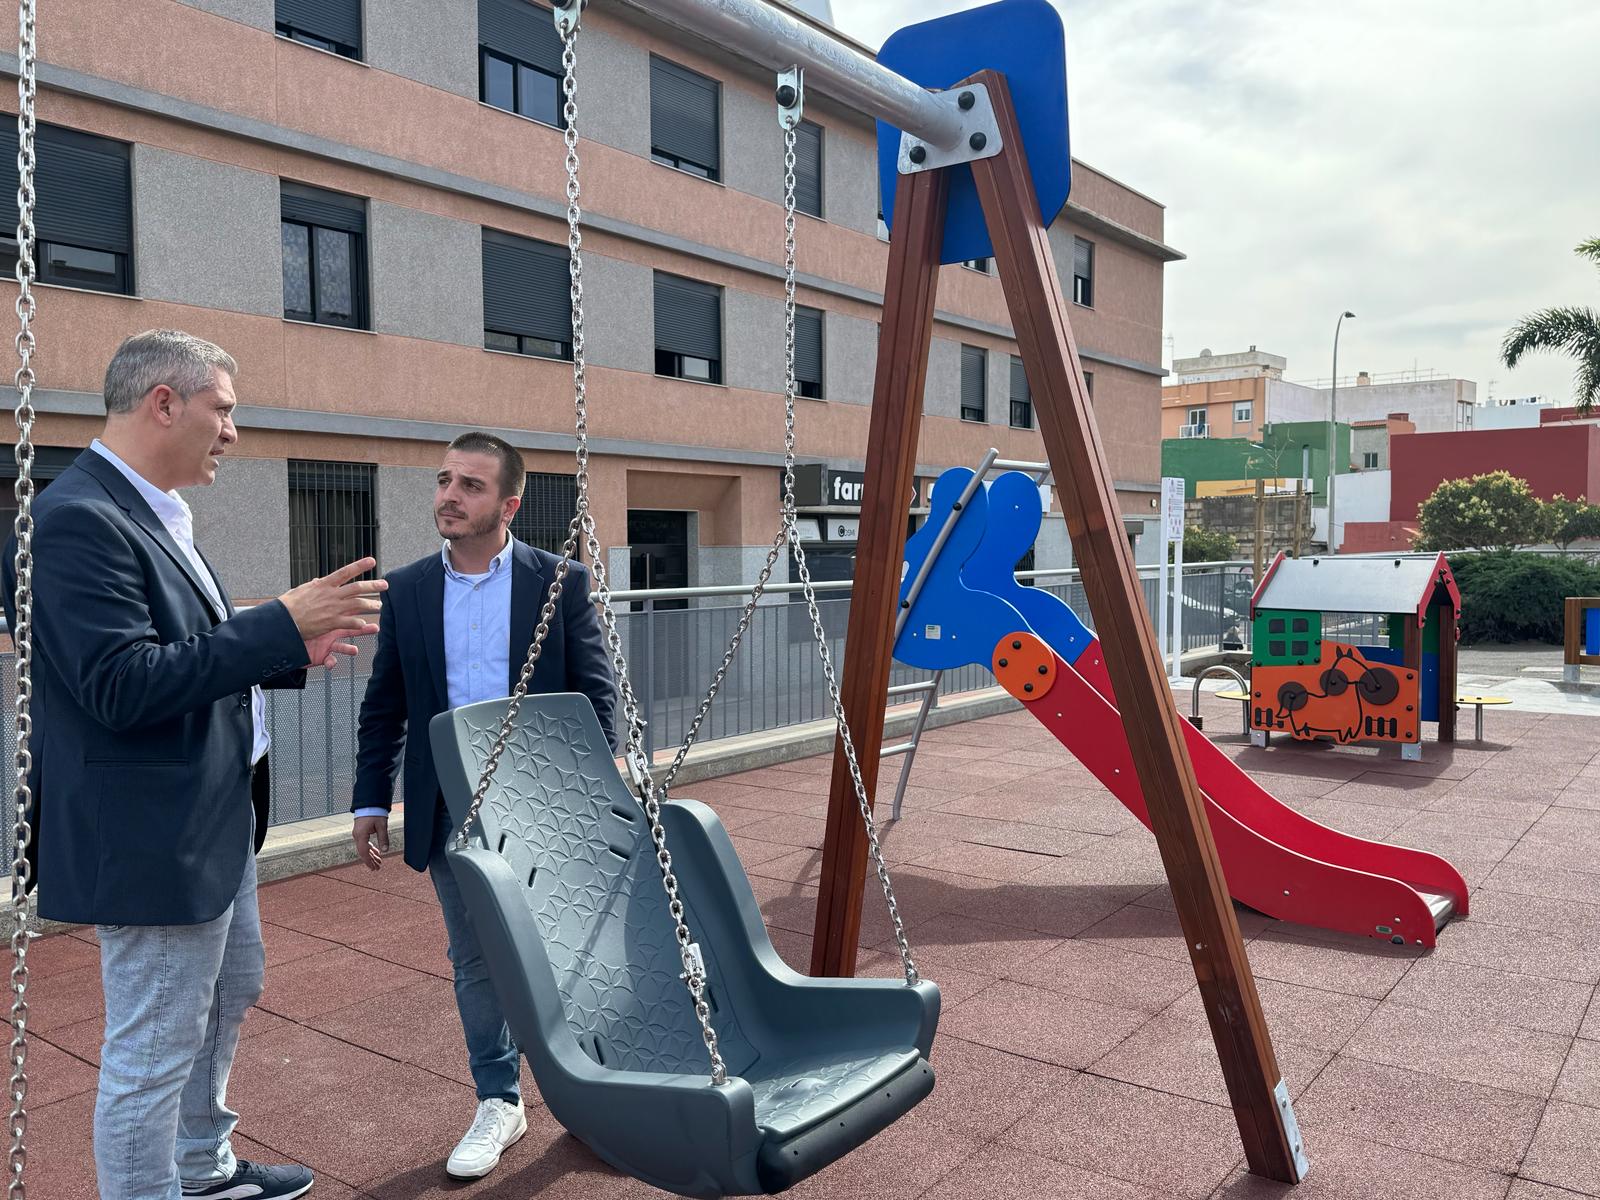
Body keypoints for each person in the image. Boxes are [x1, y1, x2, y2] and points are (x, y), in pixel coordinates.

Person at [0, 329, 387, 1200]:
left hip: (210, 819)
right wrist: (277, 623)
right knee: (152, 1050)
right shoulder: (75, 520)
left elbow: (184, 647)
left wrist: (285, 647)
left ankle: (201, 1168)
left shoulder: (147, 508)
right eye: (224, 410)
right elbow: (120, 684)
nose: (234, 432)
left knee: (230, 989)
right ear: (164, 403)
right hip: (154, 839)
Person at [351, 431, 616, 1180]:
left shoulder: (558, 581)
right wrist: (371, 797)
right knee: (475, 960)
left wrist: (599, 795)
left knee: (568, 952)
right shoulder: (408, 589)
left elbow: (597, 695)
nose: (450, 495)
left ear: (509, 504)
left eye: (470, 485)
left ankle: (595, 1094)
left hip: (544, 802)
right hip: (450, 806)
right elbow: (386, 704)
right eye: (444, 480)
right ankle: (500, 1100)